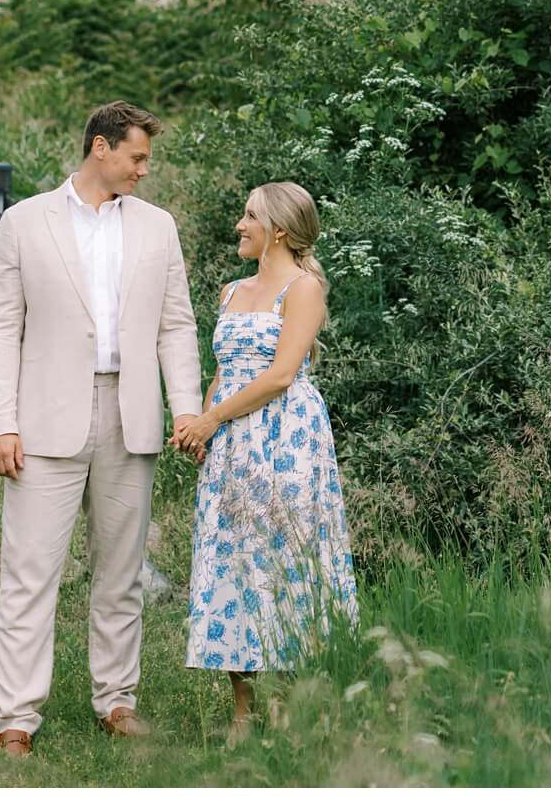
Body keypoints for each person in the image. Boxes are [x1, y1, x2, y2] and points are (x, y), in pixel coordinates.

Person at [0, 101, 204, 756]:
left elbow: (176, 324)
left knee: (120, 571)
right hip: (42, 421)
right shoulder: (24, 223)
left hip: (131, 415)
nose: (143, 170)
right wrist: (0, 421)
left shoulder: (159, 228)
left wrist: (185, 406)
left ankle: (117, 701)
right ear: (100, 147)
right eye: (136, 157)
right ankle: (15, 717)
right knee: (30, 572)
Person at [174, 180, 358, 742]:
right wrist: (203, 428)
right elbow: (223, 370)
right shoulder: (232, 290)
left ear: (278, 229)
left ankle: (285, 702)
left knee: (280, 563)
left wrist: (212, 418)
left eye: (249, 216)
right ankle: (242, 709)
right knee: (232, 563)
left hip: (285, 441)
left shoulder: (303, 289)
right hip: (231, 444)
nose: (239, 225)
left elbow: (280, 376)